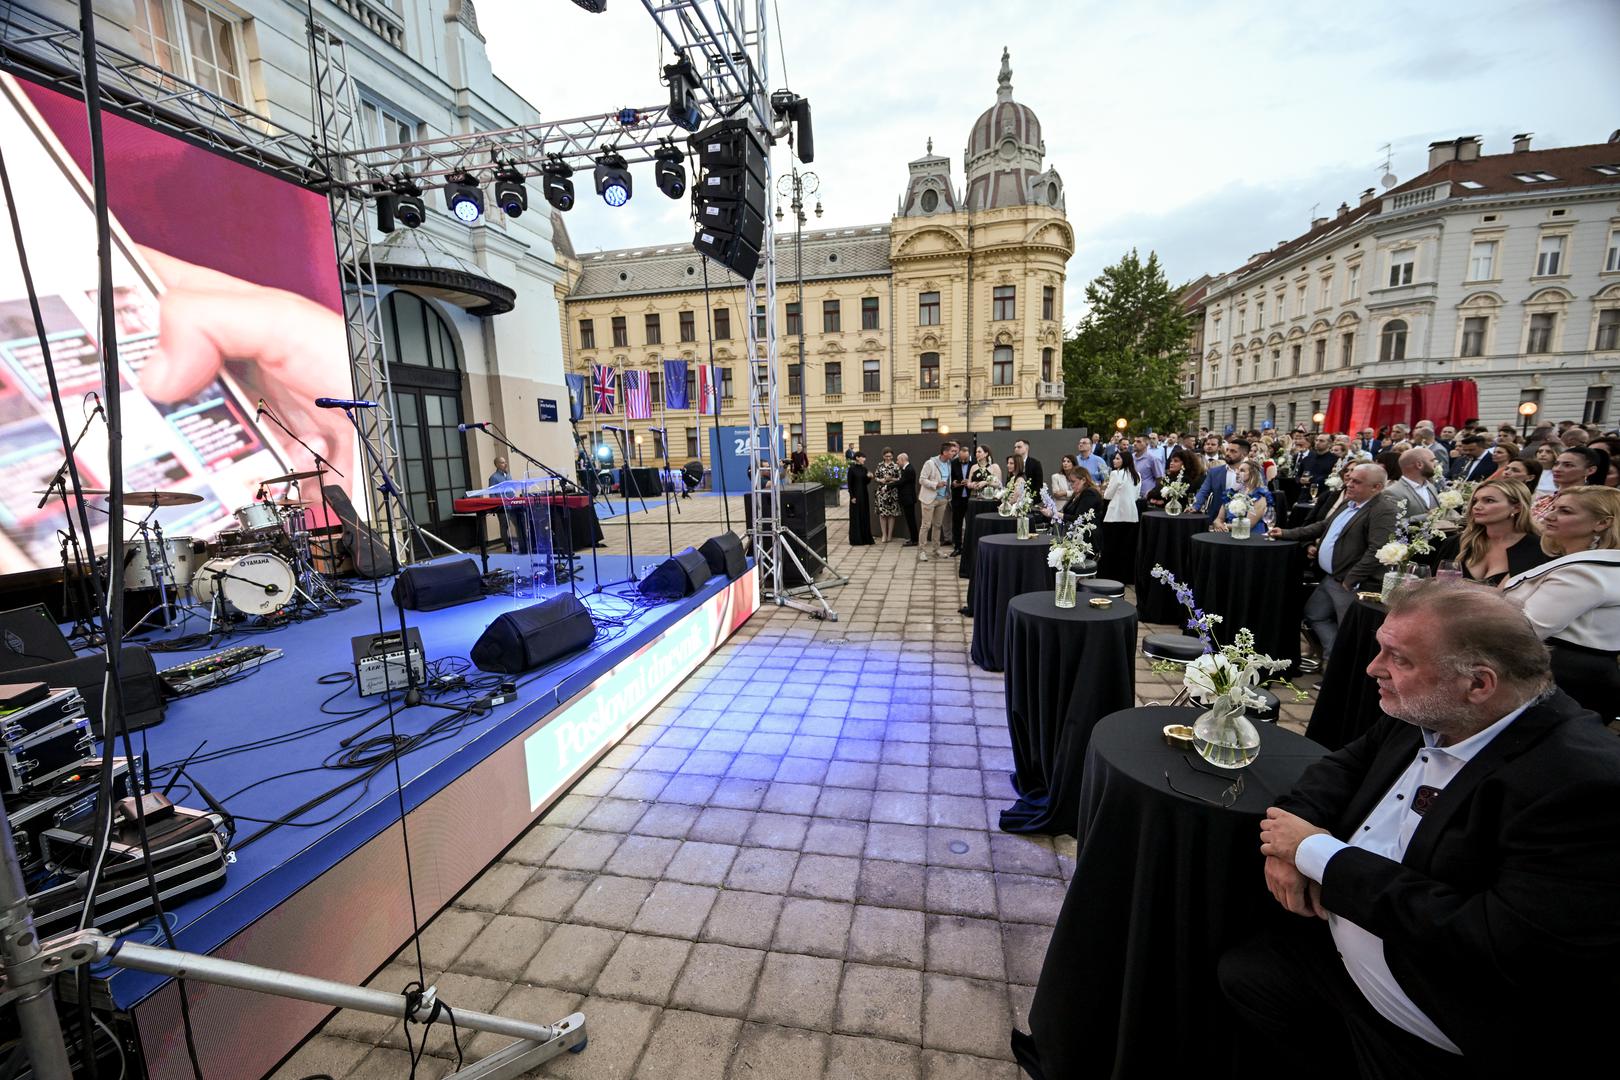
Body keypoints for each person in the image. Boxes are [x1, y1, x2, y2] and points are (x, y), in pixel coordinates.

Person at [1221, 580, 1619, 1075]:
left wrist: (1318, 855)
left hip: (1430, 1016)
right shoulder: (1434, 709)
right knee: (1239, 972)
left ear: (1478, 684)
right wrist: (1292, 837)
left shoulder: (1582, 784)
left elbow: (1494, 941)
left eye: (1399, 659)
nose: (1373, 669)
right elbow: (1345, 766)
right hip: (1343, 956)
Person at [1502, 486, 1620, 716]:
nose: (1549, 516)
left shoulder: (1586, 572)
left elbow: (1525, 629)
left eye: (1565, 511)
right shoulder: (1589, 564)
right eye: (1552, 508)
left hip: (1564, 682)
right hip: (1570, 677)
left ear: (1602, 523)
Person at [1270, 463, 1399, 662]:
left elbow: (1378, 550)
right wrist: (1286, 533)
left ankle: (1337, 668)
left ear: (1376, 487)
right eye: (1350, 479)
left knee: (1348, 630)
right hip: (1331, 577)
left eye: (1357, 482)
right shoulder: (1350, 501)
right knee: (1314, 614)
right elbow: (1324, 526)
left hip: (1349, 583)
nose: (1349, 484)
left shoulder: (1382, 509)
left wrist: (1351, 579)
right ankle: (1332, 659)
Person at [1435, 478, 1549, 586]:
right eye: (1475, 501)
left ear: (1517, 508)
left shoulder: (1538, 549)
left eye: (1489, 500)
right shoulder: (1457, 543)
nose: (1476, 507)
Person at [1532, 446, 1604, 523]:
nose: (1557, 469)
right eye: (1556, 464)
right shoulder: (1544, 499)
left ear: (1590, 470)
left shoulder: (1589, 503)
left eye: (1568, 465)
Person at [1099, 448, 1140, 582]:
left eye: (1117, 458)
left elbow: (1108, 495)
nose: (1114, 461)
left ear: (1125, 460)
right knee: (1126, 548)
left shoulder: (1116, 474)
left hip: (1115, 515)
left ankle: (1109, 575)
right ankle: (1125, 576)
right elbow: (1136, 496)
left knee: (1111, 547)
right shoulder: (1137, 475)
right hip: (1132, 515)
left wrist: (1104, 491)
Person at [1193, 437, 1250, 523]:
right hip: (1216, 519)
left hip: (1243, 520)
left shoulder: (1254, 472)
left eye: (1233, 451)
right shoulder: (1214, 472)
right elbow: (1203, 491)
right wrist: (1194, 506)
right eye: (1227, 450)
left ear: (1244, 454)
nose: (1228, 453)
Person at [1211, 459, 1273, 535]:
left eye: (1242, 470)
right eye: (1237, 470)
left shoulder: (1259, 496)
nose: (1237, 472)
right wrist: (1218, 523)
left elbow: (1248, 525)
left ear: (1253, 474)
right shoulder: (1231, 494)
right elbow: (1219, 519)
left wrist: (1224, 526)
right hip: (1230, 534)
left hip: (1252, 536)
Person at [917, 442, 954, 560]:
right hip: (929, 499)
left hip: (942, 499)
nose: (954, 453)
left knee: (937, 526)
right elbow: (922, 480)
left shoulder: (949, 463)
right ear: (945, 452)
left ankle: (936, 550)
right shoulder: (930, 463)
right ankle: (921, 551)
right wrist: (936, 484)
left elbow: (948, 480)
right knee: (926, 526)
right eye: (952, 451)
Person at [1388, 447, 1442, 519]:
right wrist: (1426, 517)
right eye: (1432, 461)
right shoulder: (1393, 492)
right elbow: (1392, 522)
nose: (1436, 464)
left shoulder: (1431, 487)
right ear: (1419, 465)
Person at [948, 444, 973, 555]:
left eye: (965, 459)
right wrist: (953, 483)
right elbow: (950, 479)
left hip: (970, 498)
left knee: (970, 523)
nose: (963, 460)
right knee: (957, 523)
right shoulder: (953, 463)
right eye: (961, 458)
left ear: (969, 456)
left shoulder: (974, 463)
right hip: (957, 497)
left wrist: (969, 482)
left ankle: (969, 547)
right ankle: (957, 547)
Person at [873, 448, 901, 543]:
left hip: (892, 492)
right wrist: (880, 480)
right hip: (881, 492)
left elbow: (900, 478)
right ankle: (884, 535)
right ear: (883, 456)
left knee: (891, 514)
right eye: (886, 456)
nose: (888, 458)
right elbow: (876, 477)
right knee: (882, 514)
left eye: (890, 456)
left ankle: (890, 535)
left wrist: (891, 479)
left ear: (892, 456)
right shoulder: (879, 465)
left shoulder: (896, 466)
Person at [846, 450, 874, 546]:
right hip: (856, 496)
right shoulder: (851, 469)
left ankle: (865, 538)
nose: (864, 459)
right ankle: (856, 539)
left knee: (864, 515)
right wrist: (852, 496)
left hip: (864, 495)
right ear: (857, 457)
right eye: (863, 457)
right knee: (856, 516)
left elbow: (865, 482)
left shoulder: (864, 469)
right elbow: (849, 484)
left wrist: (869, 477)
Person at [896, 452, 919, 546]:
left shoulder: (909, 469)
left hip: (908, 498)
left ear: (902, 460)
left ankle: (914, 540)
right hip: (908, 498)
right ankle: (914, 538)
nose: (897, 462)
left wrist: (888, 485)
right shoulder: (906, 469)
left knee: (911, 520)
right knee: (910, 520)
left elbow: (901, 482)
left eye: (898, 460)